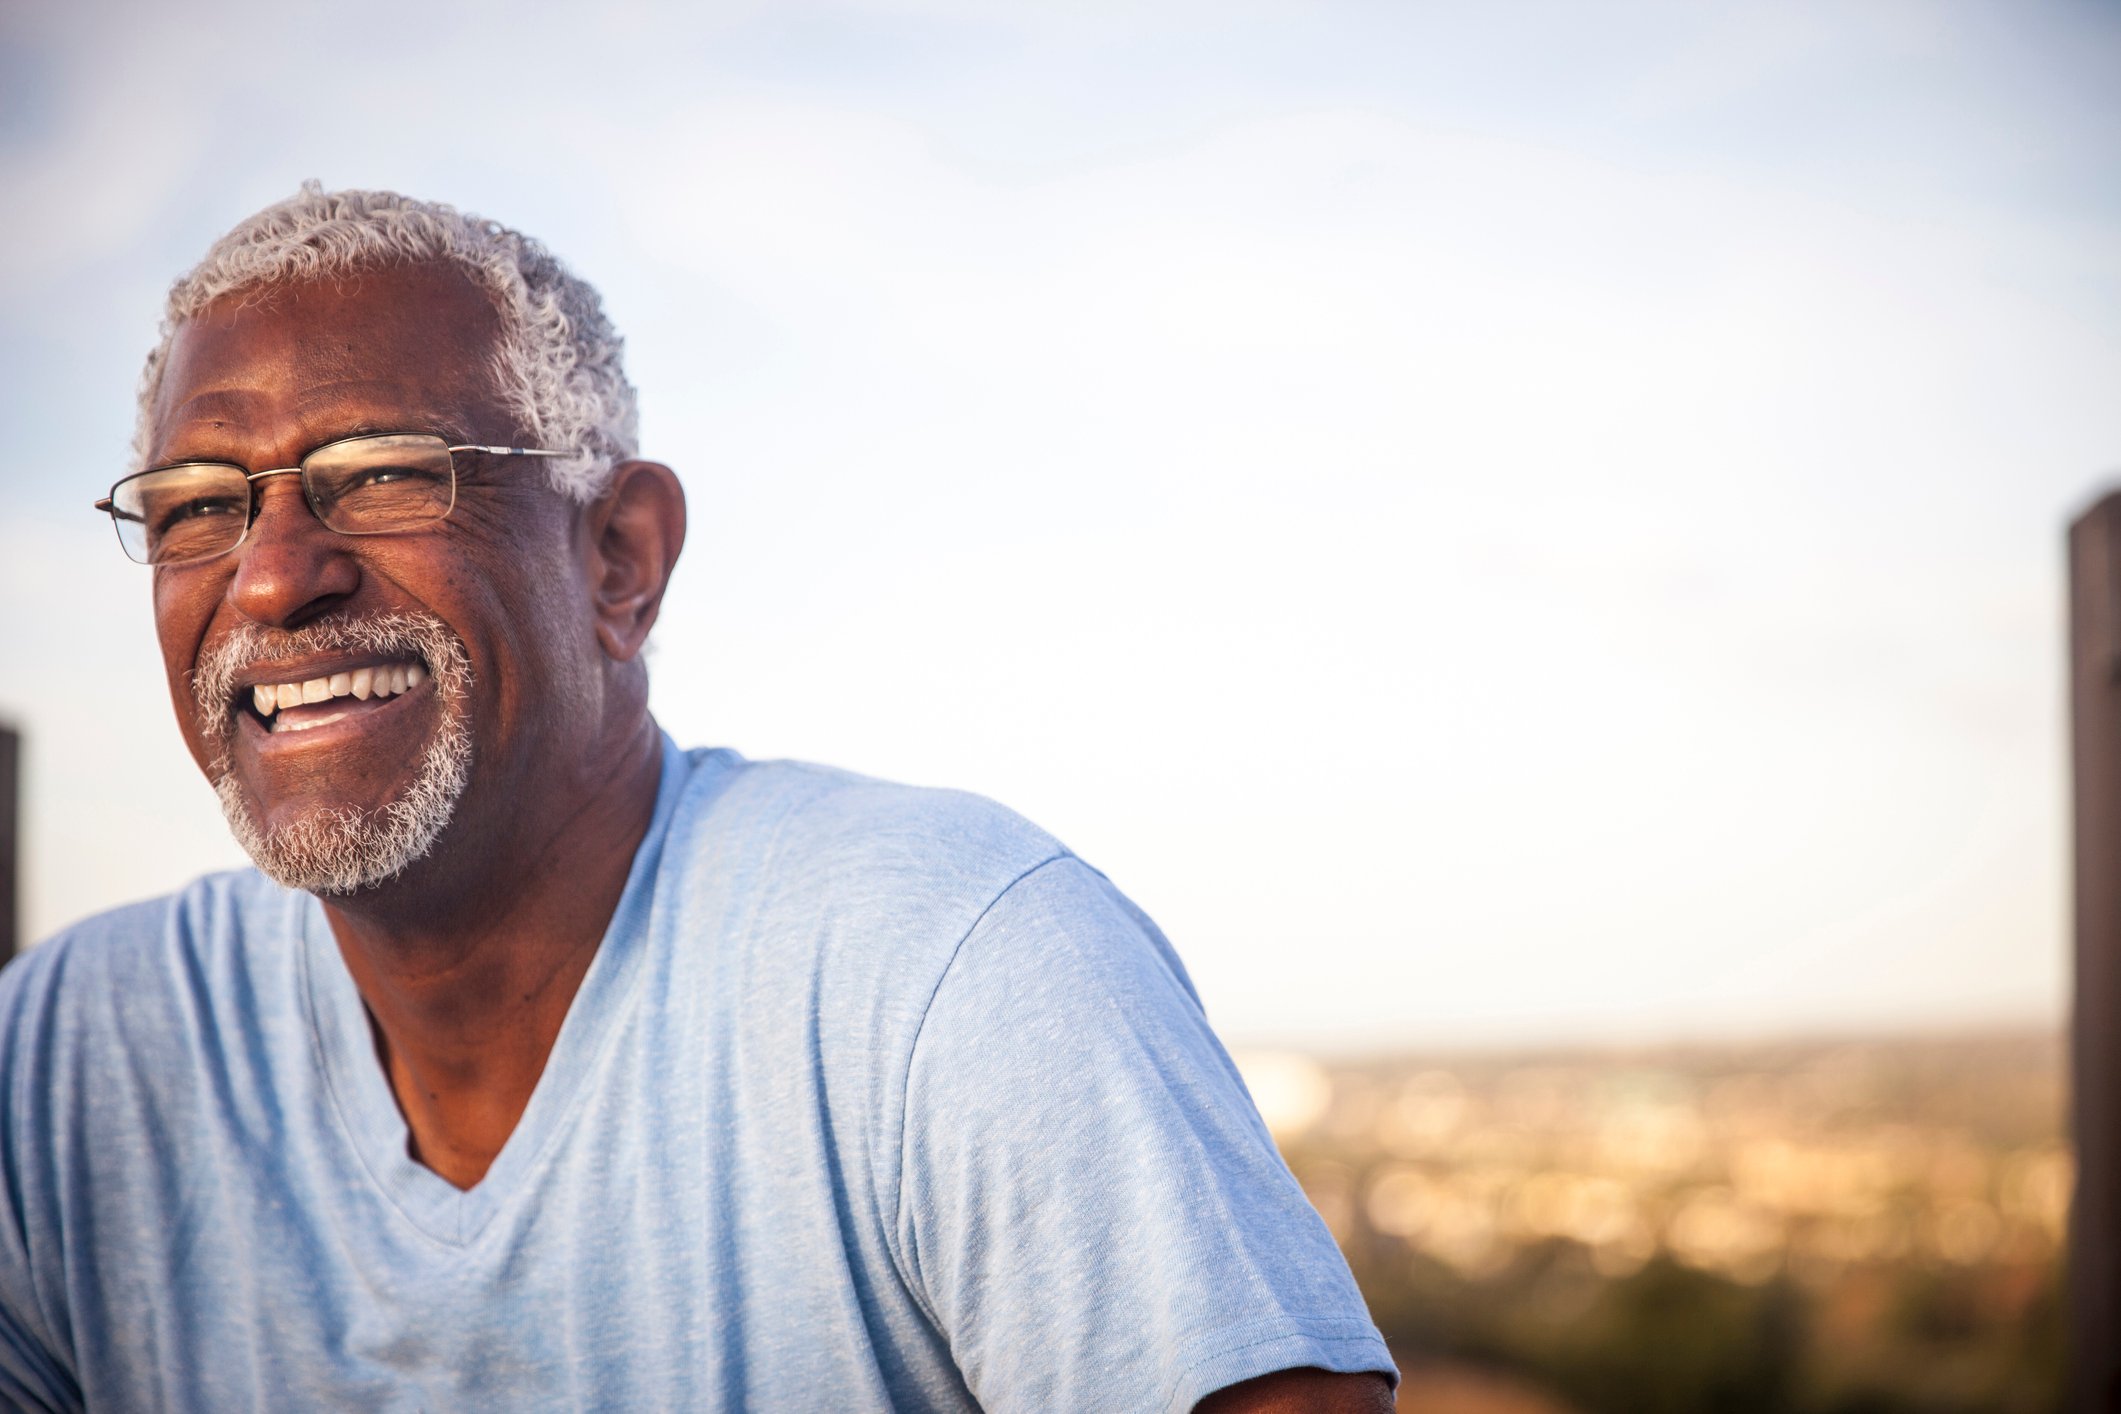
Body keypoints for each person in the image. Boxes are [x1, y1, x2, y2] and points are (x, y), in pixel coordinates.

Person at [0, 185, 1395, 1412]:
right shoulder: (62, 1064)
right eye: (194, 504)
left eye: (380, 478)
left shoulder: (952, 970)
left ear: (619, 558)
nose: (267, 574)